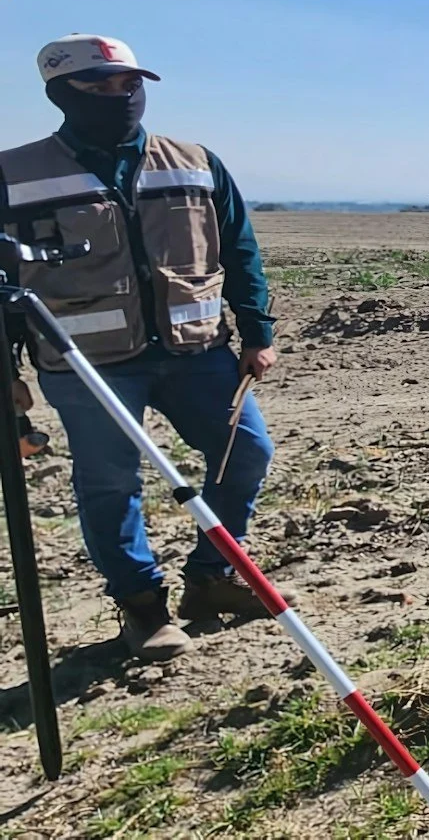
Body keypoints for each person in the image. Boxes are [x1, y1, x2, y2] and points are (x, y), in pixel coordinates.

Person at [0, 35, 281, 662]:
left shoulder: (193, 160)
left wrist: (256, 329)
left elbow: (238, 246)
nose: (119, 95)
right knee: (109, 482)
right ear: (59, 93)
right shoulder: (14, 175)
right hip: (85, 363)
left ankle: (211, 579)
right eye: (98, 86)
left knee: (247, 454)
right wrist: (5, 372)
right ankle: (141, 606)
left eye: (128, 83)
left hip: (198, 351)